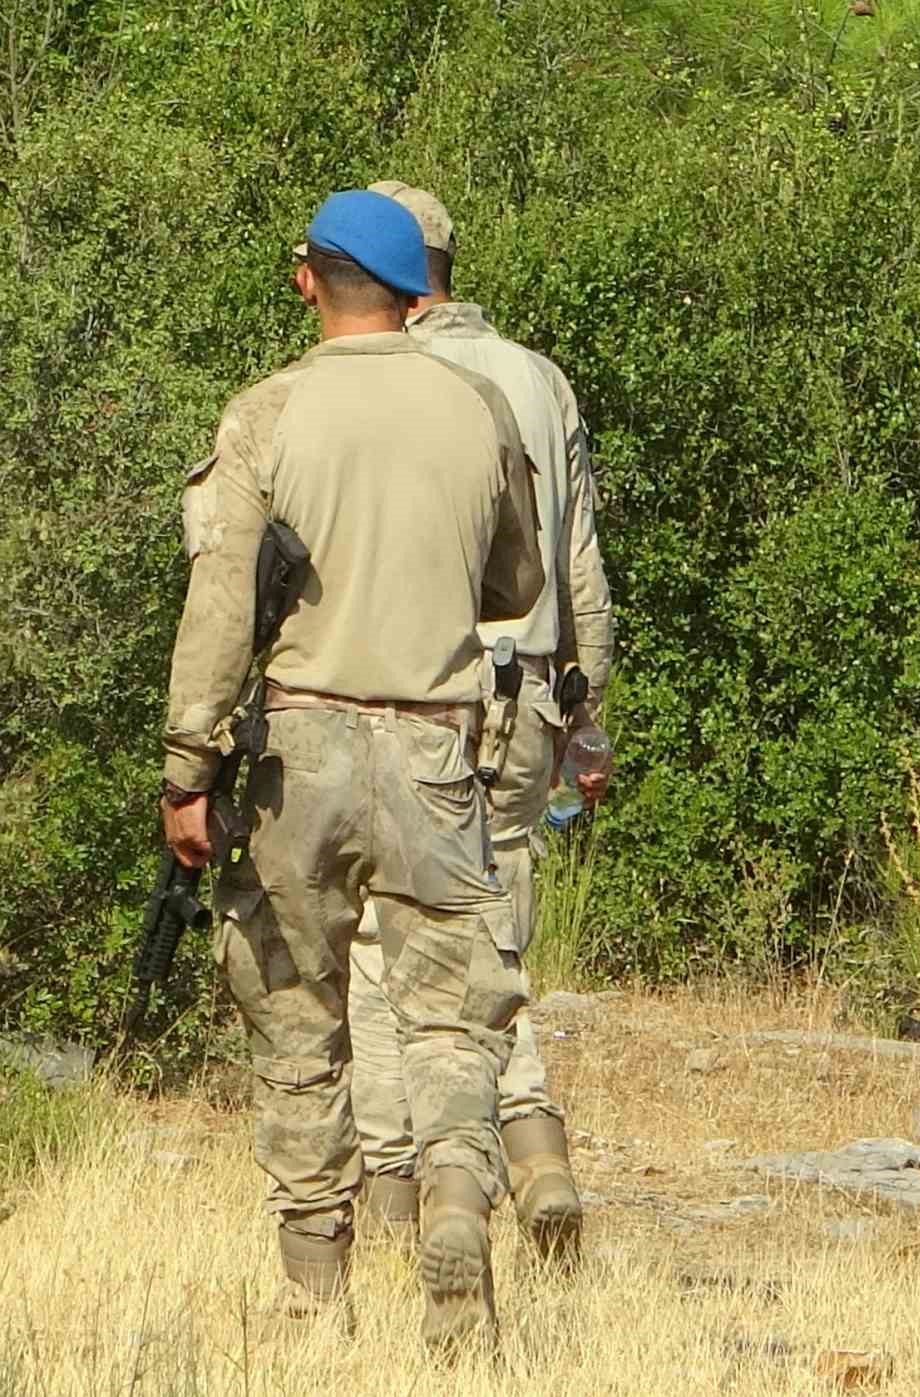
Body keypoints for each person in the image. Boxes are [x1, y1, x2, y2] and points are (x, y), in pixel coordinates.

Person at [160, 189, 542, 1350]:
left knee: (295, 1009)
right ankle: (461, 1212)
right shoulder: (475, 405)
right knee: (451, 1016)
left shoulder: (267, 412)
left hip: (299, 746)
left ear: (307, 280)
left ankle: (312, 1285)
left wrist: (189, 765)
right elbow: (516, 583)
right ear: (417, 291)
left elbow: (221, 601)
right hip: (435, 743)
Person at [345, 181, 615, 1267]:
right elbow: (581, 565)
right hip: (530, 697)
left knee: (381, 946)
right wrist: (584, 716)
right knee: (489, 933)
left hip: (414, 698)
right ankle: (536, 1146)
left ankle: (400, 1194)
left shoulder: (381, 383)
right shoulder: (539, 380)